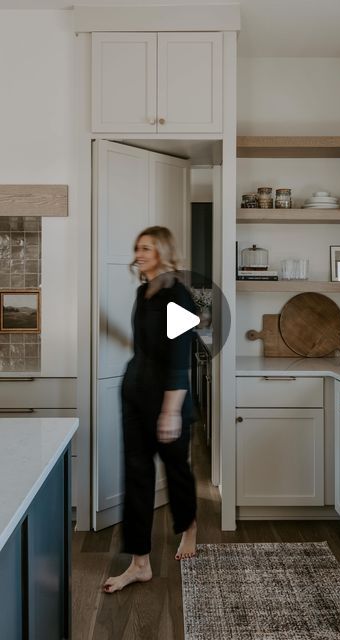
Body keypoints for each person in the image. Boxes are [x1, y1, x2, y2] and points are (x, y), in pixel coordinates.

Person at [103, 226, 197, 593]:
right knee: (137, 477)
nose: (138, 254)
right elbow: (147, 346)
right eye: (137, 247)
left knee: (176, 471)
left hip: (168, 401)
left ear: (163, 251)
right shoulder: (144, 292)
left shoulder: (181, 296)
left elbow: (179, 356)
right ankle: (139, 563)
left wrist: (170, 411)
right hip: (135, 396)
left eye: (146, 248)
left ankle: (189, 525)